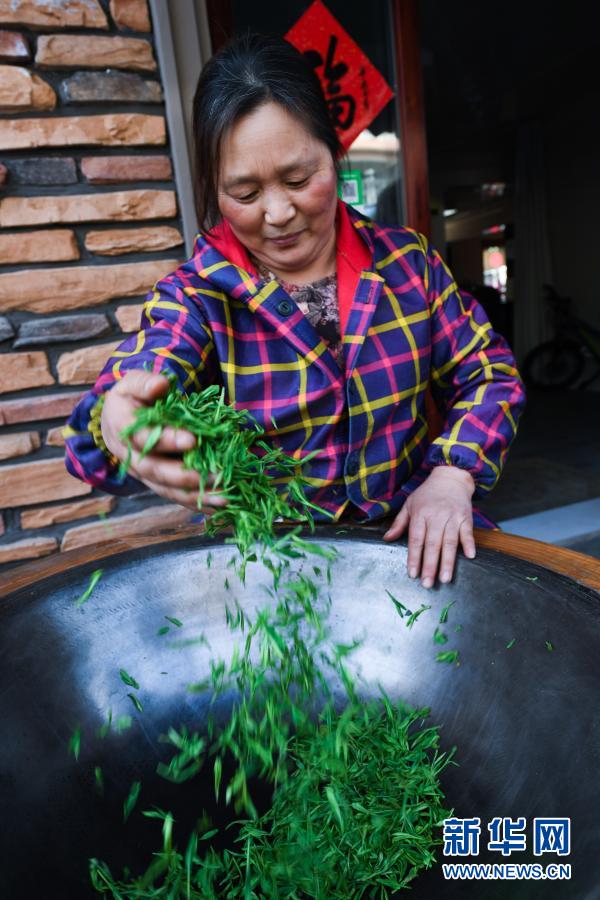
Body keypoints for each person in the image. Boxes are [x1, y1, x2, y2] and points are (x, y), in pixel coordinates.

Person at [63, 33, 525, 589]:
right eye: (245, 193)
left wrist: (452, 474)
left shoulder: (410, 265)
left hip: (405, 543)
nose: (279, 212)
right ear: (213, 188)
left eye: (299, 179)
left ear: (334, 151)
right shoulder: (196, 298)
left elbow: (489, 373)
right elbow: (137, 382)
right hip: (271, 570)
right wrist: (115, 419)